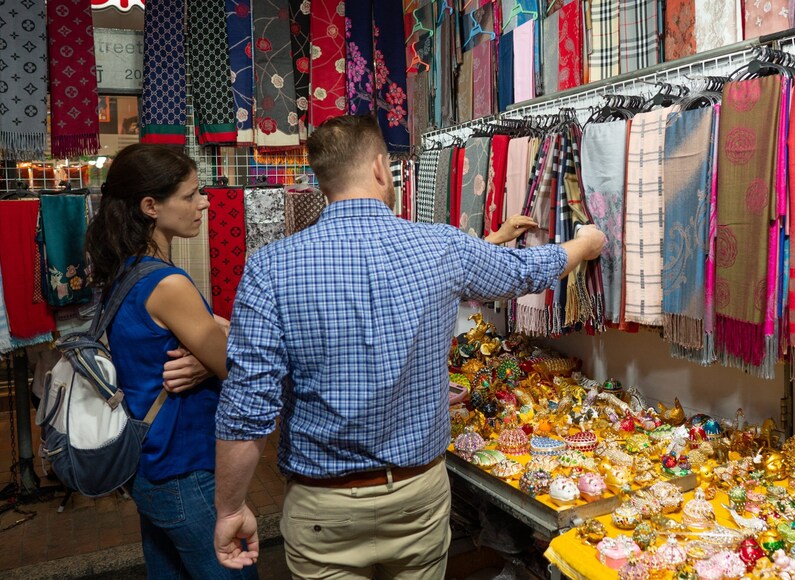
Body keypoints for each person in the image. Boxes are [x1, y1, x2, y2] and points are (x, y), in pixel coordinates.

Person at [213, 115, 606, 578]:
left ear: (322, 181)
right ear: (381, 168)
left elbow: (247, 410)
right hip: (416, 496)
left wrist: (229, 510)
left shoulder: (269, 268)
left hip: (322, 505)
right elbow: (526, 270)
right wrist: (586, 244)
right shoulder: (440, 248)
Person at [84, 144, 258, 580]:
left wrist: (210, 344)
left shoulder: (127, 270)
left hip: (150, 467)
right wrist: (220, 340)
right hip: (187, 469)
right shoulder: (168, 284)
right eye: (191, 194)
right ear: (150, 206)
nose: (204, 202)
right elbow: (236, 368)